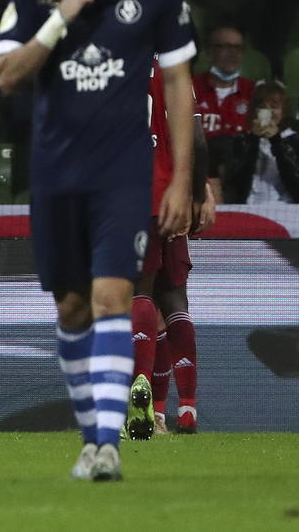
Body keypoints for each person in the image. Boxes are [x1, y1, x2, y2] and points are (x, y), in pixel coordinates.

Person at [0, 0, 196, 480]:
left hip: (123, 172)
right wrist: (61, 17)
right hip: (56, 172)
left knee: (113, 297)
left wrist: (181, 178)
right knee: (73, 306)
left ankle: (106, 446)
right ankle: (92, 436)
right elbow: (6, 76)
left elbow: (179, 82)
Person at [126, 59, 211, 441]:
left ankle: (141, 395)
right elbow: (195, 139)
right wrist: (198, 192)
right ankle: (183, 409)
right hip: (169, 193)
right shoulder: (173, 71)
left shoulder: (106, 67)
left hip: (123, 197)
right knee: (174, 297)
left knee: (138, 295)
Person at [193, 25, 256, 202]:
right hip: (196, 183)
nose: (233, 54)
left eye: (238, 48)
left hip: (242, 189)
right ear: (209, 52)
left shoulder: (253, 93)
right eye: (225, 47)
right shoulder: (190, 90)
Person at [221, 80, 299, 204]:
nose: (268, 111)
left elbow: (295, 181)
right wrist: (253, 140)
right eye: (262, 106)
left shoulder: (294, 140)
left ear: (283, 110)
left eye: (274, 106)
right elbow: (235, 183)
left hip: (286, 208)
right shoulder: (241, 140)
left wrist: (276, 141)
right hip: (249, 209)